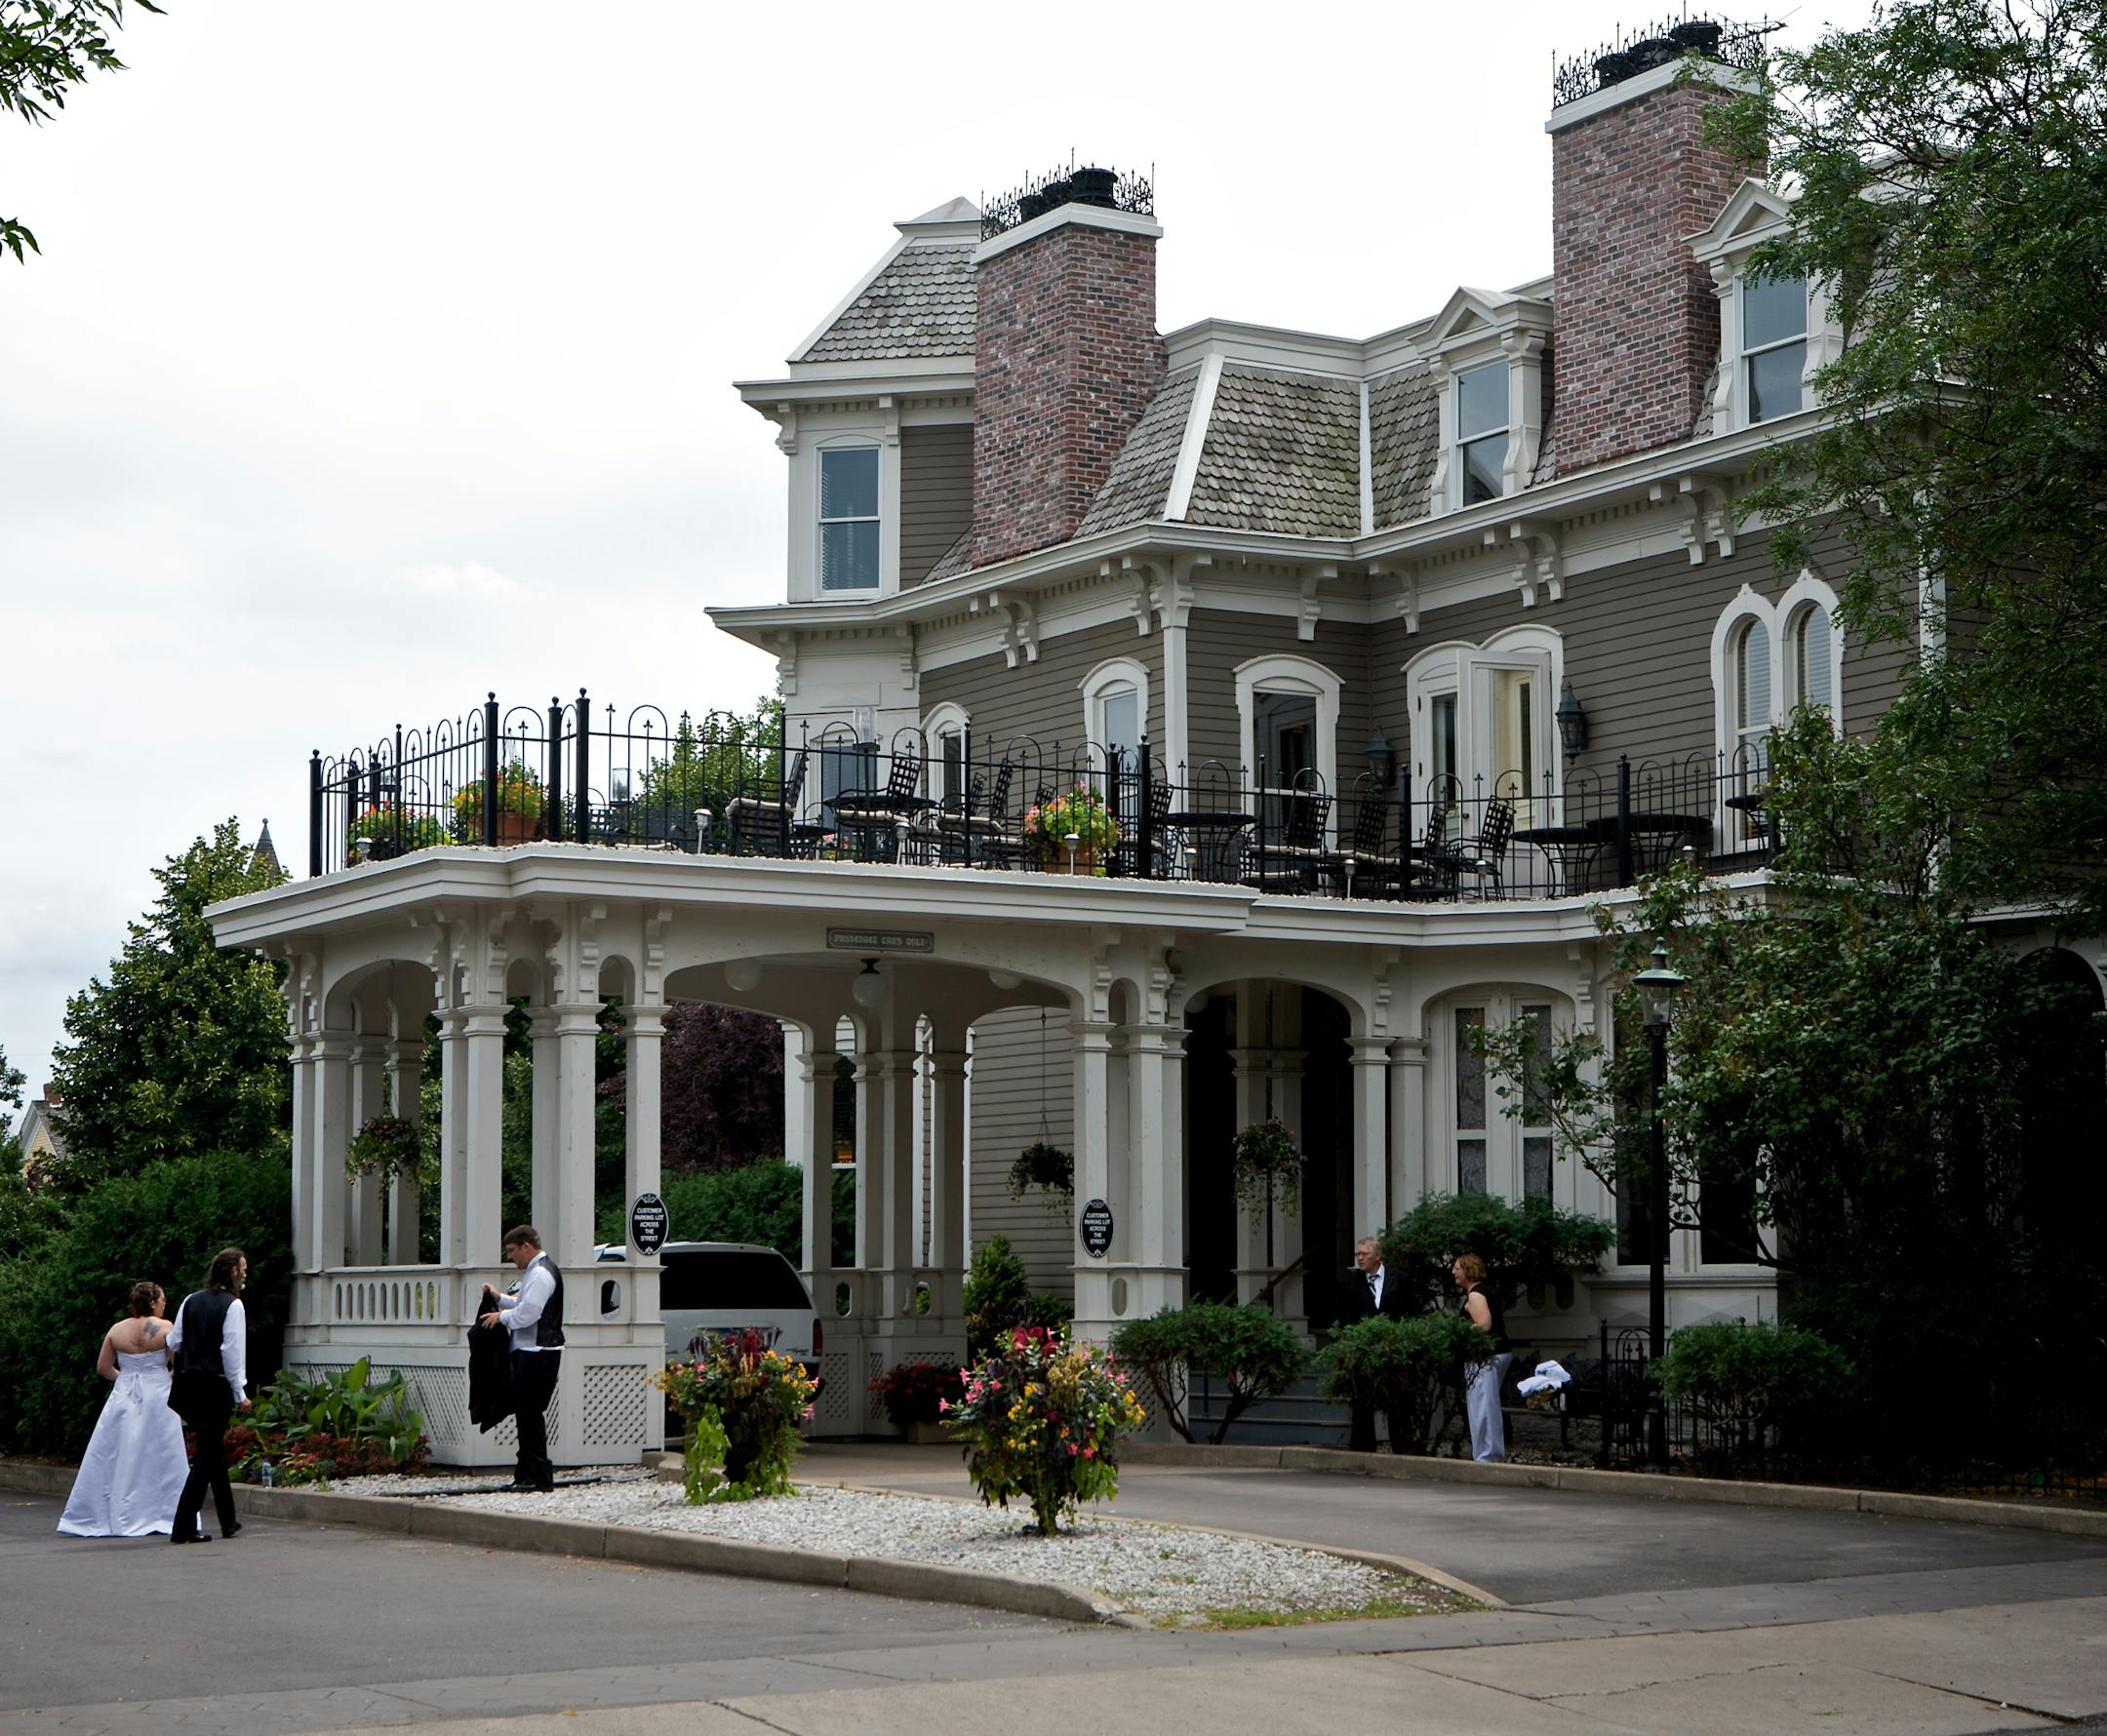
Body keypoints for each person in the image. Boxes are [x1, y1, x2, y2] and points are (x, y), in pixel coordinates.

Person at [57, 1281, 190, 1538]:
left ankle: (114, 1510)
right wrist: (162, 1378)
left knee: (118, 1452)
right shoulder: (165, 1328)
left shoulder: (116, 1329)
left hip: (124, 1396)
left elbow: (103, 1368)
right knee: (159, 1453)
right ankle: (161, 1512)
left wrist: (126, 1378)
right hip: (158, 1396)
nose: (165, 1304)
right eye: (162, 1300)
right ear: (153, 1302)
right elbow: (179, 1365)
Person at [167, 1247, 252, 1544]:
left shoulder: (190, 1300)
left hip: (190, 1385)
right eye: (243, 1268)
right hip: (215, 1386)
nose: (245, 1274)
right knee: (207, 1456)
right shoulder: (233, 1306)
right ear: (233, 1271)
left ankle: (228, 1521)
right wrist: (240, 1392)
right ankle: (182, 1526)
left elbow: (174, 1341)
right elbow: (231, 1352)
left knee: (212, 1451)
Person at [477, 1225, 564, 1492]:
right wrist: (500, 1299)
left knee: (530, 1414)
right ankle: (527, 1474)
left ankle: (539, 1476)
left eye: (512, 1250)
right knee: (526, 1414)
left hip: (537, 1353)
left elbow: (530, 1314)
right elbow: (524, 1305)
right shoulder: (537, 1271)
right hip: (534, 1352)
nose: (510, 1256)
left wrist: (500, 1316)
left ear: (527, 1246)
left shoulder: (540, 1274)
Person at [1335, 1236, 1411, 1451]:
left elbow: (1410, 1311)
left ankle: (1402, 1447)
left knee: (1397, 1403)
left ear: (1378, 1255)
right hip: (1363, 1351)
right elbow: (1343, 1316)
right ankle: (1363, 1449)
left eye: (1364, 1254)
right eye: (1357, 1254)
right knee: (1362, 1403)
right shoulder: (1350, 1282)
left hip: (1395, 1350)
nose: (1360, 1258)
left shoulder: (1400, 1279)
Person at [1452, 1251, 1511, 1463]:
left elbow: (1484, 1325)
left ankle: (1488, 1456)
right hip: (1496, 1354)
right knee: (1487, 1405)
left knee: (1483, 1408)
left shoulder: (1475, 1294)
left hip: (1484, 1358)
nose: (1453, 1272)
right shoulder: (1486, 1290)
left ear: (1468, 1270)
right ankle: (1488, 1453)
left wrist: (1459, 1333)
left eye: (1457, 1268)